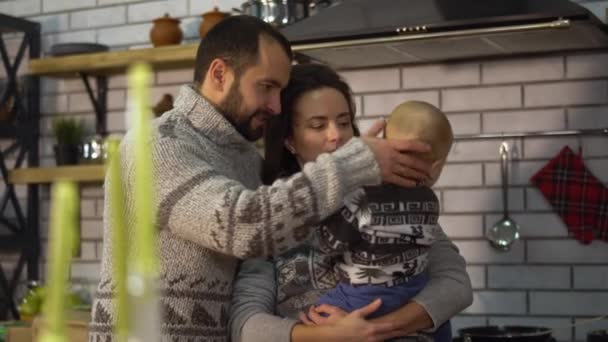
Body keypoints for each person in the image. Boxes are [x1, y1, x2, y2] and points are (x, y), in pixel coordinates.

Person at [89, 15, 436, 342]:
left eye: (280, 91)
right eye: (266, 87)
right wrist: (358, 160)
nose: (276, 106)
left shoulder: (246, 160)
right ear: (220, 73)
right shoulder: (157, 145)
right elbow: (242, 226)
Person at [229, 64, 472, 342]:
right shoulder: (273, 213)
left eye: (344, 122)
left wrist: (372, 329)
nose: (337, 135)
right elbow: (245, 325)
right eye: (318, 125)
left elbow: (456, 285)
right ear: (289, 141)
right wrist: (329, 336)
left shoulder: (384, 197)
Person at [310, 100, 455, 341]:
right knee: (438, 321)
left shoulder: (363, 196)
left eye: (345, 122)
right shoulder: (430, 200)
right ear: (437, 166)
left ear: (384, 146)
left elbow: (328, 244)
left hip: (363, 297)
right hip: (414, 289)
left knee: (314, 316)